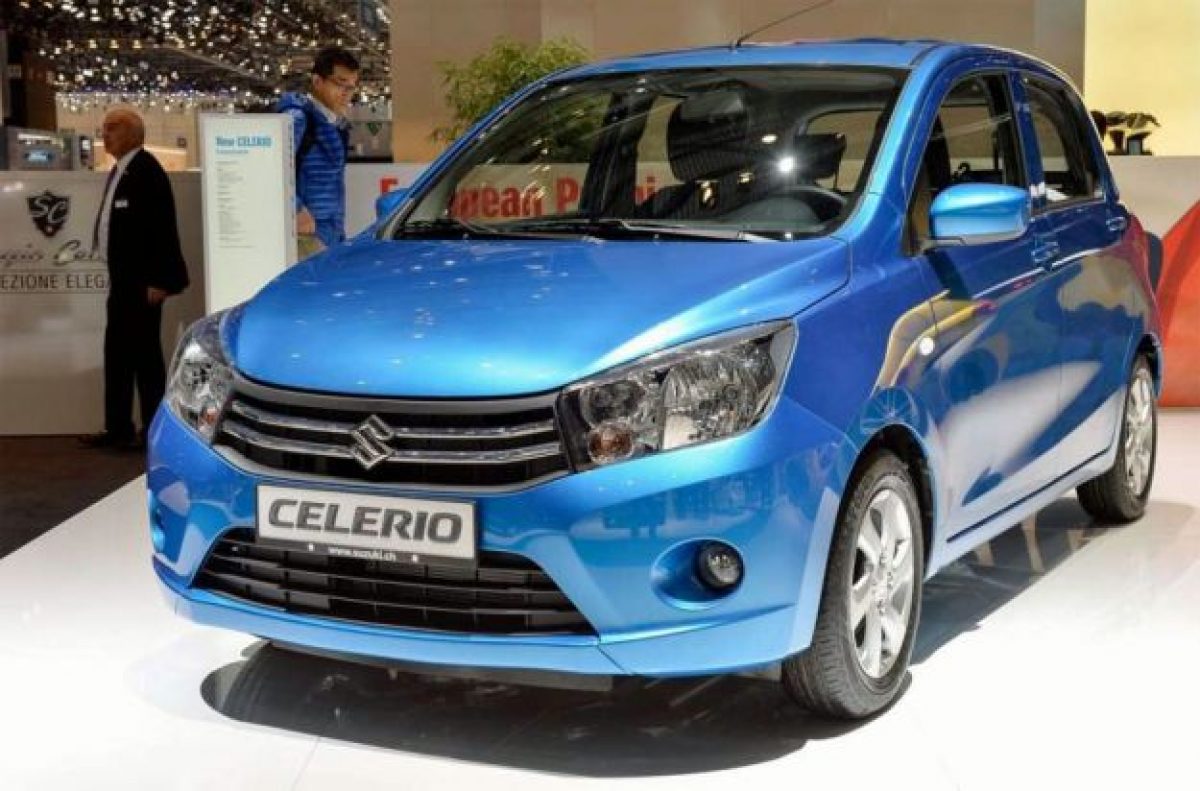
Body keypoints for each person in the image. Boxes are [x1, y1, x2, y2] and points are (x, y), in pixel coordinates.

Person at [81, 108, 189, 449]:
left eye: (112, 128)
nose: (105, 134)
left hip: (143, 284)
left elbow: (162, 229)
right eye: (104, 128)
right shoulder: (122, 170)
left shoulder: (147, 171)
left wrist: (160, 280)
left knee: (145, 359)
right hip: (123, 280)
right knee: (118, 355)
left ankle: (153, 431)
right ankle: (118, 427)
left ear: (133, 133)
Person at [277, 46, 360, 254]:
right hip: (306, 231)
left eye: (351, 87)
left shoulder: (336, 124)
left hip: (330, 230)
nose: (346, 93)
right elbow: (273, 170)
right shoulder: (298, 119)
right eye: (340, 84)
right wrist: (295, 209)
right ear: (317, 81)